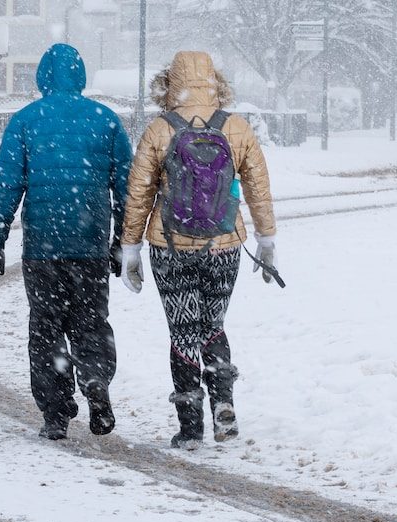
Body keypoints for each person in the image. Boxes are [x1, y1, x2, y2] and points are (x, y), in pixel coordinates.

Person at [117, 50, 277, 449]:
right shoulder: (236, 127)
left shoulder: (159, 129)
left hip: (170, 247)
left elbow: (138, 193)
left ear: (168, 83)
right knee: (213, 325)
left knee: (183, 332)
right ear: (216, 81)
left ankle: (190, 428)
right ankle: (223, 405)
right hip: (225, 245)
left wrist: (130, 247)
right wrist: (267, 239)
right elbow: (258, 188)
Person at [0, 43, 133, 441]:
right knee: (90, 322)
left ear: (42, 77)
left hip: (42, 247)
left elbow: (8, 188)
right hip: (90, 244)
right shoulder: (106, 121)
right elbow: (127, 188)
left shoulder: (26, 121)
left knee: (46, 328)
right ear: (81, 75)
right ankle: (96, 383)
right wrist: (122, 240)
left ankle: (55, 411)